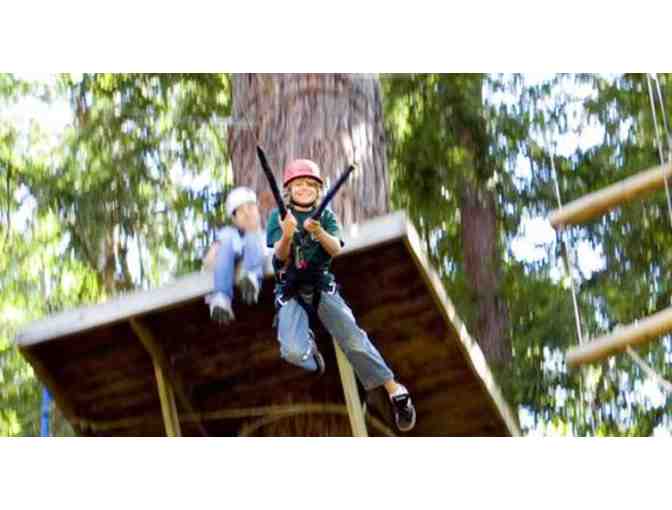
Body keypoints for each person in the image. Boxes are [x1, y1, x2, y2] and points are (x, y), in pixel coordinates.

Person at [266, 159, 416, 432]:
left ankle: (394, 390)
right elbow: (279, 256)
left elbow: (335, 249)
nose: (304, 188)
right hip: (291, 290)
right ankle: (310, 349)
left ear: (318, 190)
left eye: (310, 184)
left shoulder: (325, 216)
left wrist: (318, 231)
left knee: (354, 340)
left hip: (321, 286)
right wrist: (287, 235)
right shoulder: (279, 216)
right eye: (298, 184)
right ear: (288, 189)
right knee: (293, 351)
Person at [204, 186, 267, 324]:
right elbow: (209, 262)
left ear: (258, 210)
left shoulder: (267, 236)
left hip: (256, 264)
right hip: (233, 258)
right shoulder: (230, 236)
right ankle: (222, 297)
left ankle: (251, 278)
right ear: (234, 219)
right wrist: (216, 250)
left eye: (250, 207)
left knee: (252, 236)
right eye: (241, 211)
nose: (247, 213)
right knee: (227, 239)